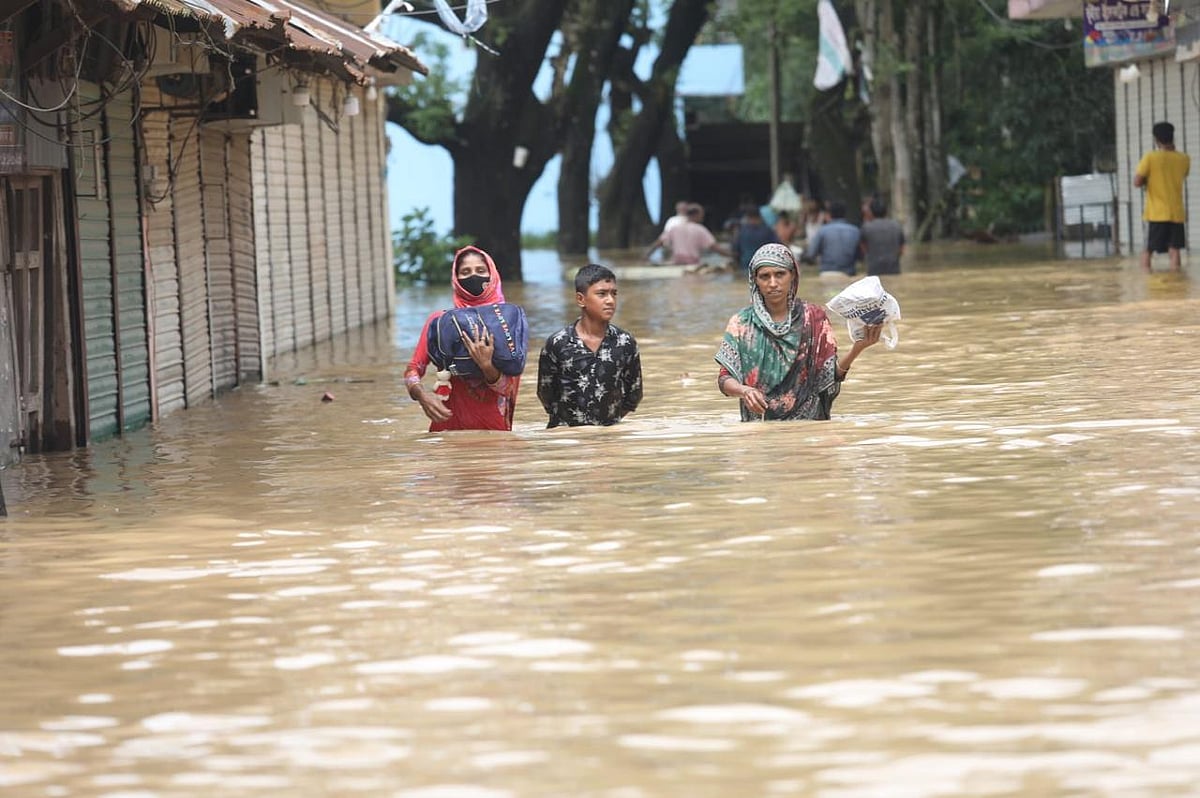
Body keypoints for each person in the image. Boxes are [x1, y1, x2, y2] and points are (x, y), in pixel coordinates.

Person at [715, 243, 881, 422]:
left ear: (792, 275)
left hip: (809, 428)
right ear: (755, 280)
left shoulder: (814, 318)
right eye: (765, 276)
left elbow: (829, 376)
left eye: (780, 274)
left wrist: (858, 348)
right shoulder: (741, 323)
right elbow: (725, 379)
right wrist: (744, 390)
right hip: (761, 429)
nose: (773, 283)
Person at [404, 246, 521, 431]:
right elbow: (412, 370)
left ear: (492, 276)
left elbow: (508, 389)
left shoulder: (507, 323)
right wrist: (422, 396)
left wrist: (487, 366)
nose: (474, 276)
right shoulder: (440, 323)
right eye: (465, 272)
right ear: (456, 279)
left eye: (481, 271)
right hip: (445, 431)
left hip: (494, 436)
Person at [537, 263, 643, 428]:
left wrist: (606, 423)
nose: (610, 301)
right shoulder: (558, 344)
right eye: (601, 294)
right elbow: (545, 394)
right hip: (566, 438)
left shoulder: (625, 342)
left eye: (614, 294)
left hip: (608, 440)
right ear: (581, 299)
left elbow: (634, 394)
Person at [1134, 121, 1190, 273]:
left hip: (1156, 214)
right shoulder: (1184, 159)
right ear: (1173, 137)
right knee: (1174, 250)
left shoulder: (1150, 158)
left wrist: (1147, 180)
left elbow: (1137, 182)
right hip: (1177, 213)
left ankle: (1146, 280)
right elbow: (1182, 175)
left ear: (1156, 139)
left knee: (1148, 250)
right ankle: (1177, 282)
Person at [645, 203, 732, 265]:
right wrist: (732, 255)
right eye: (702, 215)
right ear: (696, 214)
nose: (702, 218)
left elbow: (658, 242)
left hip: (677, 262)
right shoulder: (700, 229)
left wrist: (647, 255)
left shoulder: (675, 228)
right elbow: (715, 248)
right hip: (692, 263)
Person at [801, 199, 861, 276]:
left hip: (827, 273)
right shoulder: (855, 231)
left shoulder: (822, 231)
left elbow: (811, 254)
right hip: (849, 273)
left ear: (829, 214)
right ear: (844, 214)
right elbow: (859, 255)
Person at [859, 196, 905, 275]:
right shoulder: (897, 226)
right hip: (894, 269)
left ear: (871, 212)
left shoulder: (866, 227)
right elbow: (901, 249)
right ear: (886, 211)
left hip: (874, 270)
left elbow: (864, 248)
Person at [732, 205, 779, 271]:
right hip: (763, 265)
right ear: (760, 216)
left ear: (748, 217)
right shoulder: (767, 231)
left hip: (746, 264)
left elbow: (735, 250)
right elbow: (777, 247)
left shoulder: (742, 231)